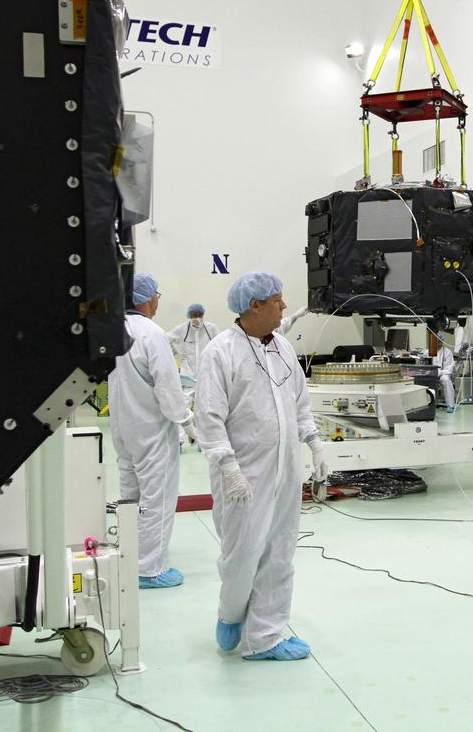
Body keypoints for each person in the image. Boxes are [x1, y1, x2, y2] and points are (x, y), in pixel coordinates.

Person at [195, 271, 330, 661]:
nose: (284, 305)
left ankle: (265, 636)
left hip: (285, 470)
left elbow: (299, 404)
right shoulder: (221, 352)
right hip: (244, 475)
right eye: (276, 299)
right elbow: (209, 417)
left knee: (279, 551)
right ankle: (231, 613)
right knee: (242, 553)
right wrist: (228, 468)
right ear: (254, 306)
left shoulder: (283, 348)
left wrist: (315, 444)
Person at [108, 273, 196, 589]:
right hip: (151, 429)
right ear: (147, 298)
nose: (158, 300)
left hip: (122, 427)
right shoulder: (151, 333)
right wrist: (188, 423)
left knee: (130, 496)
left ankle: (127, 556)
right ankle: (148, 570)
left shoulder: (115, 329)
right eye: (157, 294)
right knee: (157, 498)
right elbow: (168, 387)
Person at [167, 303, 219, 385]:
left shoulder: (211, 328)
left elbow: (220, 345)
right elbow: (166, 339)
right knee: (187, 391)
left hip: (207, 371)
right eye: (194, 315)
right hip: (187, 372)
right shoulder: (182, 329)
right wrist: (176, 356)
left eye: (200, 315)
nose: (197, 318)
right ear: (190, 316)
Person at [434, 336, 457, 412]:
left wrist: (440, 372)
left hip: (443, 374)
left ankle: (450, 405)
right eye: (436, 340)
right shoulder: (428, 351)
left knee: (446, 380)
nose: (437, 343)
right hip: (431, 374)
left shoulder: (447, 352)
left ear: (442, 342)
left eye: (439, 341)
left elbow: (449, 368)